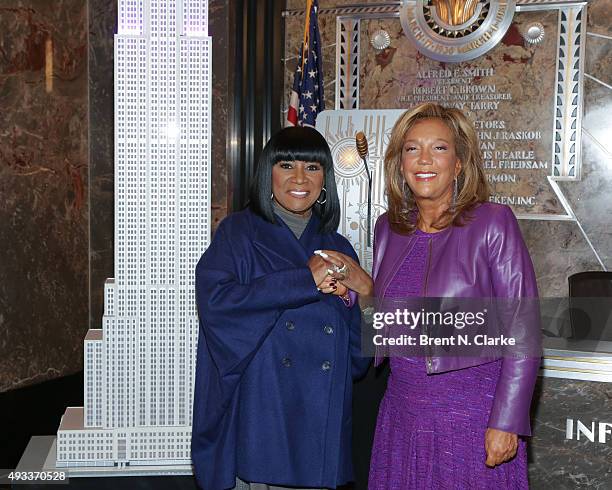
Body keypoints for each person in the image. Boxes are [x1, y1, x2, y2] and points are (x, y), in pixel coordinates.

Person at [368, 103, 541, 489]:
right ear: (399, 162)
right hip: (401, 413)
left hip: (470, 418)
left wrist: (507, 421)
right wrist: (353, 296)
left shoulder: (493, 223)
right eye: (412, 149)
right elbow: (390, 316)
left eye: (439, 148)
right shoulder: (388, 228)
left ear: (460, 163)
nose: (424, 159)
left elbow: (523, 331)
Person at [191, 126, 373, 490]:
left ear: (326, 179)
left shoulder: (339, 247)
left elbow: (357, 360)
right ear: (267, 174)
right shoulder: (238, 233)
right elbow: (217, 304)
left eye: (313, 167)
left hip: (320, 435)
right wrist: (304, 281)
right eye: (286, 165)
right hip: (262, 426)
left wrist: (366, 295)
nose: (300, 178)